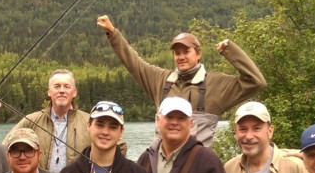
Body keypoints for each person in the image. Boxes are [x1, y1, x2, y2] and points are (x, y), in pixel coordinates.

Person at [96, 14, 266, 147]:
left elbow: (256, 81)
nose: (181, 57)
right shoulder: (161, 79)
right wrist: (113, 33)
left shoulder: (216, 84)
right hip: (160, 167)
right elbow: (133, 62)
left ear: (198, 54)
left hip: (197, 171)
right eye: (177, 53)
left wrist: (230, 50)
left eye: (186, 52)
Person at [10, 69, 92, 173]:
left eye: (67, 86)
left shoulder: (91, 122)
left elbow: (116, 147)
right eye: (57, 86)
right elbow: (5, 148)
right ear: (49, 91)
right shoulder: (31, 121)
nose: (61, 90)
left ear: (74, 92)